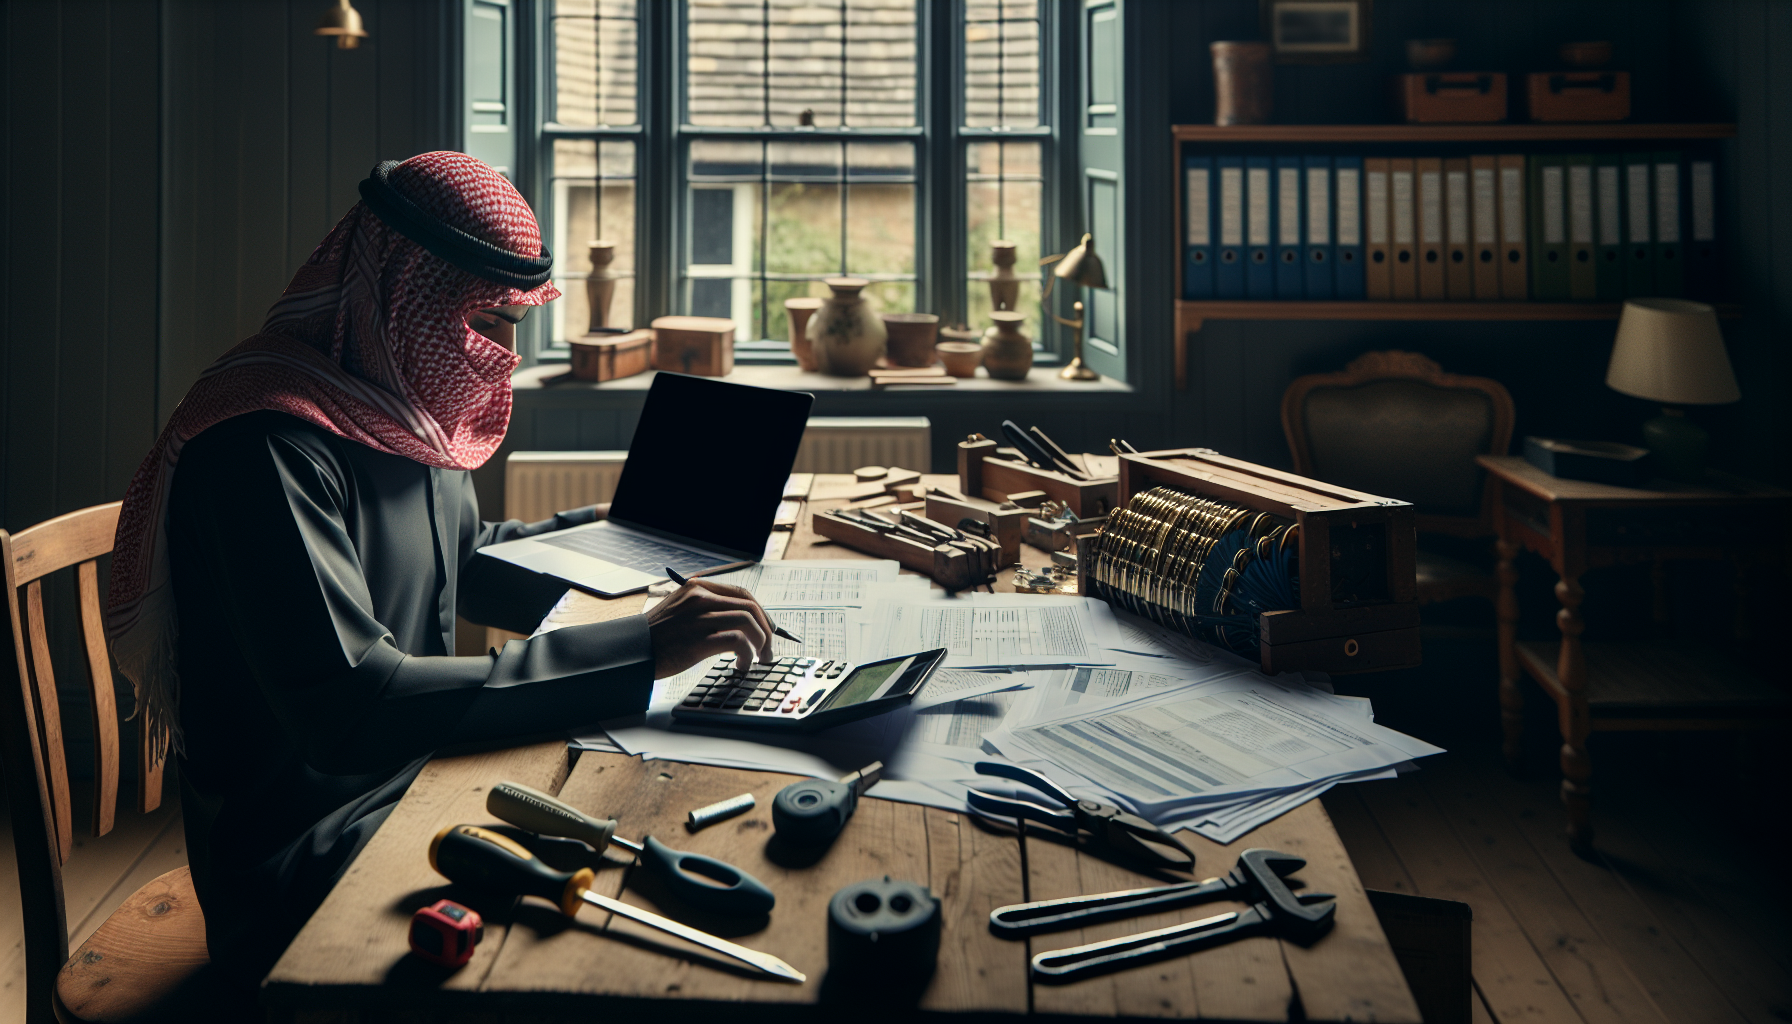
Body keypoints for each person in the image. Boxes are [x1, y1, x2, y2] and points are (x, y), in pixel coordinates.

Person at [105, 152, 776, 984]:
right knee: (604, 935)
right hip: (305, 856)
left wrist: (634, 539)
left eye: (513, 323)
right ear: (398, 293)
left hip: (422, 779)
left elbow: (462, 558)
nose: (502, 355)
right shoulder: (258, 447)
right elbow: (354, 707)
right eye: (483, 320)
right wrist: (638, 647)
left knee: (648, 825)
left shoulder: (393, 394)